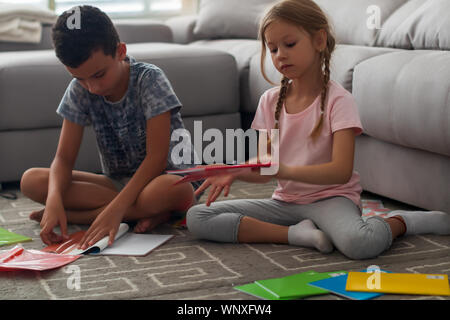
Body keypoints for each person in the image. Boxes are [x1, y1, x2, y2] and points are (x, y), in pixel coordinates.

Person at [186, 0, 450, 260]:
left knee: (360, 243)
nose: (280, 55)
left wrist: (282, 169)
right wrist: (237, 171)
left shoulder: (338, 100)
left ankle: (403, 221)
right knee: (198, 217)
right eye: (273, 48)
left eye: (289, 44)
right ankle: (296, 235)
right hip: (285, 203)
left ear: (319, 40)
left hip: (332, 200)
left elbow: (340, 171)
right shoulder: (269, 100)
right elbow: (266, 169)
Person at [20, 5, 202, 248]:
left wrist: (112, 210)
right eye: (79, 79)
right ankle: (146, 212)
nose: (92, 87)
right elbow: (63, 159)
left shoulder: (150, 79)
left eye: (98, 75)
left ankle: (89, 215)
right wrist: (54, 201)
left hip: (165, 179)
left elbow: (156, 159)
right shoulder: (80, 90)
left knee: (172, 190)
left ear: (120, 51)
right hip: (118, 183)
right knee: (31, 180)